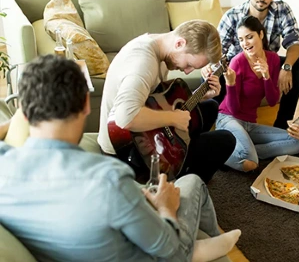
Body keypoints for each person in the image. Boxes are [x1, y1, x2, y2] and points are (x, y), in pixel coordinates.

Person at [0, 55, 241, 262]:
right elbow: (166, 247)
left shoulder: (5, 165)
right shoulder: (109, 178)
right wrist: (166, 208)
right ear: (86, 104)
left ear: (24, 109)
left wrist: (18, 118)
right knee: (191, 182)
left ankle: (207, 241)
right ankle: (199, 248)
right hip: (156, 252)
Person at [98, 20, 236, 183]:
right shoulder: (142, 64)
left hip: (144, 133)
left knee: (210, 106)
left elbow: (156, 101)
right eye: (189, 64)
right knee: (226, 140)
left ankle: (182, 154)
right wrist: (174, 119)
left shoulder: (159, 47)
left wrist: (203, 95)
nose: (187, 71)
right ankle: (185, 178)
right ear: (179, 43)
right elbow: (125, 117)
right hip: (128, 150)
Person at [203, 0, 299, 130]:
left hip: (268, 63)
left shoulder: (282, 10)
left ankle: (282, 125)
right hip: (237, 67)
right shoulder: (232, 15)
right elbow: (218, 51)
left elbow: (294, 42)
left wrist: (286, 67)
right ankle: (214, 123)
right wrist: (211, 66)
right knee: (212, 75)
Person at [216, 15, 299, 172]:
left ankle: (243, 151)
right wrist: (230, 83)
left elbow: (272, 101)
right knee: (251, 164)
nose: (245, 43)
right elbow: (234, 110)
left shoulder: (273, 59)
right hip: (228, 119)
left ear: (261, 35)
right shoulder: (238, 62)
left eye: (249, 37)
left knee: (298, 142)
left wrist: (267, 76)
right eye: (241, 39)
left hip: (250, 124)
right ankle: (219, 152)